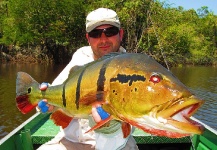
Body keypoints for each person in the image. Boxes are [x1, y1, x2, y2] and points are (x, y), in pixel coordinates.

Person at [37, 8, 139, 150]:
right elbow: (56, 96)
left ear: (120, 34)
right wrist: (45, 101)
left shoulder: (133, 69)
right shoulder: (80, 57)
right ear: (88, 38)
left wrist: (110, 126)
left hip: (117, 143)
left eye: (110, 32)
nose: (103, 39)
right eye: (95, 34)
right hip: (70, 142)